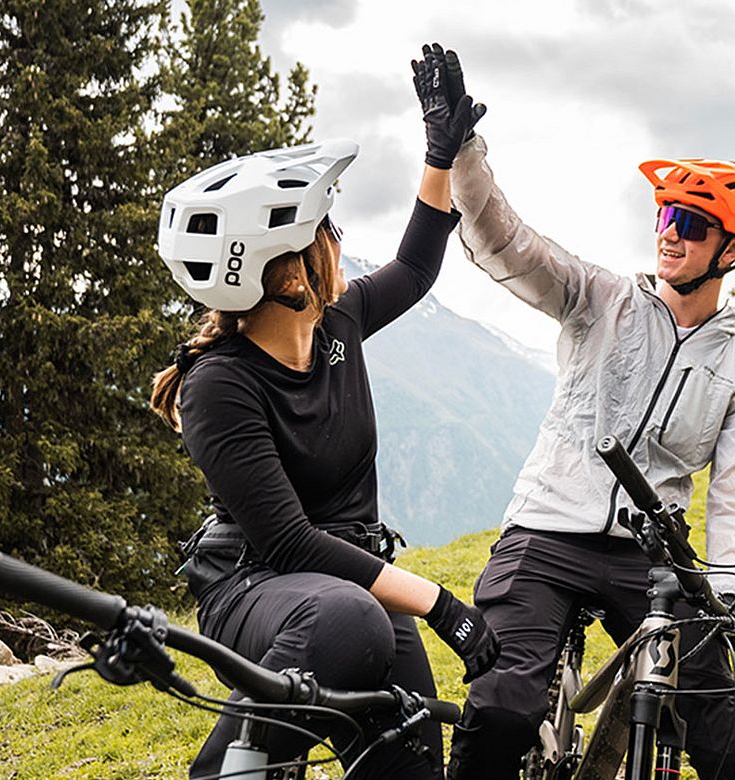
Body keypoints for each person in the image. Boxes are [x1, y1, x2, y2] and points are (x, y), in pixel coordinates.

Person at [149, 44, 497, 779]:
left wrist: (439, 152)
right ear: (286, 271)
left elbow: (416, 267)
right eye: (325, 229)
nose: (338, 240)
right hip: (260, 586)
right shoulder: (219, 385)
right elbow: (291, 544)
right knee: (347, 623)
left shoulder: (336, 324)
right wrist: (440, 605)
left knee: (407, 760)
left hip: (357, 585)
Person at [435, 54, 735, 780]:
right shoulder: (601, 299)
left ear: (733, 250)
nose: (670, 232)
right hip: (547, 531)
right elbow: (504, 239)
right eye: (665, 214)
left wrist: (732, 594)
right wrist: (460, 152)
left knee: (726, 743)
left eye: (690, 222)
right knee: (500, 707)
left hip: (654, 557)